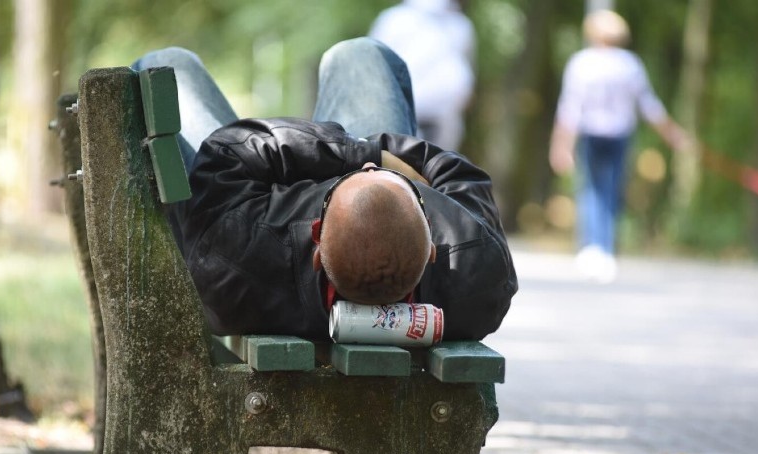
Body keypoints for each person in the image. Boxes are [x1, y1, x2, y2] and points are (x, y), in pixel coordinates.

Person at [132, 38, 516, 341]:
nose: (366, 169)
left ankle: (355, 182)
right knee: (358, 55)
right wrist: (389, 173)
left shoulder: (234, 252)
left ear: (317, 247)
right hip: (292, 255)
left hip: (262, 227)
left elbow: (233, 147)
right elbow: (463, 176)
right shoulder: (475, 274)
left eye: (337, 187)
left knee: (168, 62)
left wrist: (366, 155)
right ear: (432, 249)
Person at [549, 9, 686, 283]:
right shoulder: (630, 64)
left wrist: (560, 144)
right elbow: (649, 105)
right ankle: (606, 250)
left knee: (590, 189)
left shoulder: (581, 62)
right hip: (620, 135)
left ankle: (591, 249)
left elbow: (570, 109)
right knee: (611, 190)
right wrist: (672, 134)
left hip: (591, 133)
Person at [369, 0, 475, 151]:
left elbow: (465, 65)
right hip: (403, 122)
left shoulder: (460, 25)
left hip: (446, 122)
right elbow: (374, 69)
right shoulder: (394, 20)